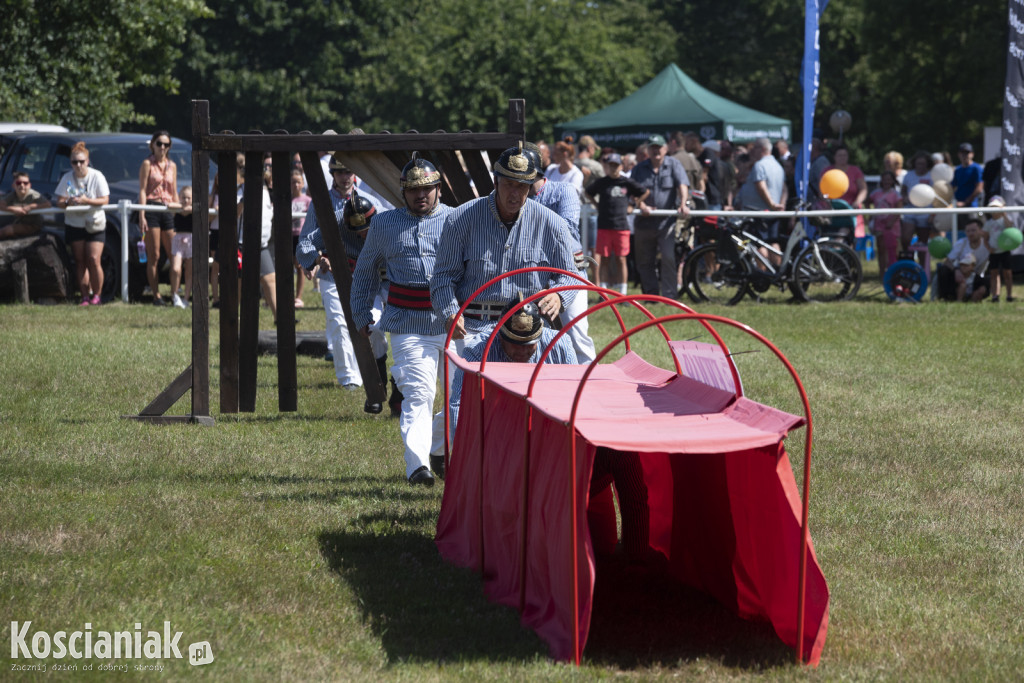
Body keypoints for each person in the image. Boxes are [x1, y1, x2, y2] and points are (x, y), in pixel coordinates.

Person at [351, 155, 454, 486]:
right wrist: (361, 314)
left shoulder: (458, 221)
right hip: (407, 323)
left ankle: (436, 447)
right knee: (419, 393)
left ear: (438, 188)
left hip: (456, 323)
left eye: (426, 189)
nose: (419, 195)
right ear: (402, 192)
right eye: (412, 190)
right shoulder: (383, 224)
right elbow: (365, 271)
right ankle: (417, 467)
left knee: (463, 401)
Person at [431, 145, 580, 349]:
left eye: (522, 186)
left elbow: (569, 274)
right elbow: (443, 276)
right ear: (495, 182)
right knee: (467, 381)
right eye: (509, 184)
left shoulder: (553, 224)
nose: (514, 193)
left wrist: (559, 294)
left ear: (531, 186)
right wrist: (450, 313)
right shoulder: (460, 220)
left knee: (563, 355)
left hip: (529, 330)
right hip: (474, 328)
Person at [296, 154, 386, 391]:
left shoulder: (369, 200)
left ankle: (379, 368)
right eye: (340, 173)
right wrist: (316, 259)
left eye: (348, 172)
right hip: (333, 274)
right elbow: (306, 240)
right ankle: (350, 380)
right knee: (338, 322)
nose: (345, 177)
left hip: (367, 276)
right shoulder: (321, 203)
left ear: (354, 174)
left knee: (374, 326)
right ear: (333, 175)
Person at [449, 293, 578, 433]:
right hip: (497, 427)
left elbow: (577, 397)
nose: (523, 351)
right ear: (501, 336)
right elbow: (460, 403)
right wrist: (466, 449)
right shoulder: (477, 352)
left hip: (548, 427)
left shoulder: (560, 345)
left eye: (530, 344)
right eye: (516, 344)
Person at [521, 142, 595, 363]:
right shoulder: (512, 199)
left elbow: (567, 230)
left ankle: (588, 383)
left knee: (576, 334)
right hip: (531, 274)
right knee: (526, 335)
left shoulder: (564, 191)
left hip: (570, 272)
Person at [630, 134, 690, 298]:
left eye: (659, 147)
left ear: (665, 149)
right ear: (648, 150)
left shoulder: (674, 164)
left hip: (666, 222)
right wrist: (641, 205)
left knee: (668, 257)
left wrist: (683, 203)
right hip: (643, 222)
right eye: (652, 147)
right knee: (644, 261)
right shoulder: (639, 168)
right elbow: (632, 191)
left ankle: (670, 296)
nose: (656, 150)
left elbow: (682, 185)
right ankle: (651, 296)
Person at [55, 142, 110, 306]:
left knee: (93, 259)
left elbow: (105, 199)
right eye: (74, 162)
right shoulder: (67, 178)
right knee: (80, 260)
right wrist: (68, 203)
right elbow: (58, 201)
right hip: (74, 222)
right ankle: (85, 296)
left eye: (81, 161)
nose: (78, 165)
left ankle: (97, 296)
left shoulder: (97, 176)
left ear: (87, 161)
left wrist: (86, 200)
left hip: (95, 222)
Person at [585, 153, 648, 294]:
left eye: (616, 165)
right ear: (607, 166)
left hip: (621, 226)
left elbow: (644, 191)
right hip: (604, 226)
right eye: (611, 165)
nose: (613, 168)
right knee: (605, 259)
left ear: (621, 166)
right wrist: (596, 205)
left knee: (621, 259)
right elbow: (588, 192)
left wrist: (633, 204)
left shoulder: (627, 182)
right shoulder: (602, 182)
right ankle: (604, 291)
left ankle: (623, 291)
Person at [137, 130, 180, 306]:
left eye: (166, 145)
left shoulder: (172, 166)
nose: (162, 148)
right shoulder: (147, 164)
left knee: (174, 254)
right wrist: (142, 214)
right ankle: (156, 295)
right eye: (159, 144)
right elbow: (142, 189)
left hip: (168, 208)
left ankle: (174, 294)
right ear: (152, 145)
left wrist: (179, 212)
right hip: (152, 207)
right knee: (154, 254)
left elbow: (174, 190)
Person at [741, 137, 786, 261]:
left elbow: (761, 187)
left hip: (760, 212)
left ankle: (762, 275)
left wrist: (772, 204)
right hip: (773, 212)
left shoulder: (759, 165)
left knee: (759, 244)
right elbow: (784, 189)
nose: (751, 151)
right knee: (774, 243)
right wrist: (781, 205)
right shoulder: (778, 166)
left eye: (754, 148)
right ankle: (778, 272)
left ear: (762, 149)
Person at [936, 217, 989, 301]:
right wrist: (956, 270)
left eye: (973, 230)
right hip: (960, 276)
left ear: (981, 231)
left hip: (976, 276)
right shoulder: (961, 243)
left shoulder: (987, 246)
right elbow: (948, 261)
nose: (970, 233)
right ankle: (946, 297)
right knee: (943, 270)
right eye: (968, 231)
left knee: (987, 280)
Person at [824, 144, 868, 242]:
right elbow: (822, 191)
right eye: (840, 155)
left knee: (846, 237)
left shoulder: (855, 171)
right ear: (834, 157)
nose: (842, 158)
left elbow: (863, 189)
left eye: (845, 155)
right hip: (832, 211)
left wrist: (857, 201)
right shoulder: (827, 171)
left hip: (851, 211)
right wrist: (826, 202)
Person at [982, 196, 1015, 302]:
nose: (994, 210)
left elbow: (1010, 228)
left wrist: (1004, 214)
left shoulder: (1005, 219)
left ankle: (1009, 295)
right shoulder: (988, 223)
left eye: (997, 207)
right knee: (994, 273)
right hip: (994, 252)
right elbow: (985, 238)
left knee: (1008, 273)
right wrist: (989, 248)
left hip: (1005, 251)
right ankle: (995, 295)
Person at [868, 170, 903, 271]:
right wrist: (871, 215)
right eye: (885, 179)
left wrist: (891, 222)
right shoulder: (876, 193)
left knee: (893, 248)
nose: (887, 182)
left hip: (892, 226)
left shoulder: (896, 195)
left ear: (893, 181)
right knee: (881, 249)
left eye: (889, 179)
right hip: (879, 224)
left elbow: (899, 210)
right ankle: (882, 271)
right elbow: (867, 201)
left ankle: (894, 270)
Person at [900, 151, 934, 255]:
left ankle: (922, 267)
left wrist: (933, 214)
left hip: (925, 211)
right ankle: (907, 257)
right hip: (910, 210)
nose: (920, 166)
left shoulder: (931, 176)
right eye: (918, 163)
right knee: (905, 238)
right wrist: (905, 197)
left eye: (923, 164)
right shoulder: (908, 175)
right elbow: (903, 190)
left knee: (922, 244)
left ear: (927, 164)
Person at [0, 172, 51, 239]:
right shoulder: (12, 195)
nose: (22, 185)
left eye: (25, 183)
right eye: (18, 183)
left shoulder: (33, 194)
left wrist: (31, 206)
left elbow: (48, 204)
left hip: (33, 225)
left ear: (29, 185)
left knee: (7, 230)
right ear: (13, 185)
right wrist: (14, 209)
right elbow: (1, 204)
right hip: (20, 223)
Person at [290, 169, 312, 308]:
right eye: (293, 182)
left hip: (301, 236)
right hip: (289, 236)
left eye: (298, 182)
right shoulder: (287, 199)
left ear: (303, 183)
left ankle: (298, 297)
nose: (296, 185)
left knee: (300, 267)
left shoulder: (308, 201)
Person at [169, 185, 193, 308]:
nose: (186, 200)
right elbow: (170, 206)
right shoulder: (177, 208)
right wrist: (183, 207)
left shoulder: (194, 209)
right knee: (176, 269)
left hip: (191, 240)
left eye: (189, 198)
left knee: (189, 271)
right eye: (184, 197)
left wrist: (189, 208)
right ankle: (175, 295)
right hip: (178, 239)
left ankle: (186, 298)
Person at [952, 142, 984, 233]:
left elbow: (979, 188)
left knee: (972, 231)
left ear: (972, 154)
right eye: (962, 153)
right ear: (959, 155)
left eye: (967, 153)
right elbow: (952, 187)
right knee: (958, 231)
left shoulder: (976, 168)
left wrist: (965, 202)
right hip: (957, 206)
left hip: (971, 207)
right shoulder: (957, 170)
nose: (964, 155)